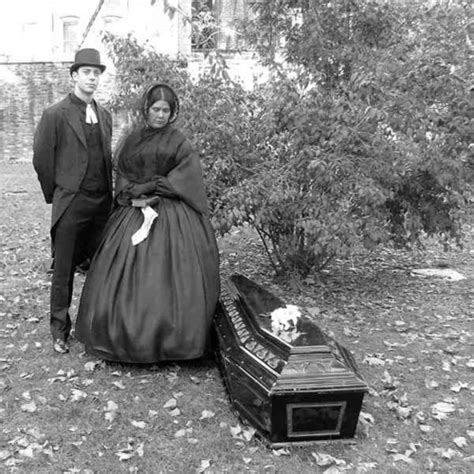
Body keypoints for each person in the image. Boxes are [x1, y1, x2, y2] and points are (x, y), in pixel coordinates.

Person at [75, 83, 220, 363]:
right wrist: (133, 190)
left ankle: (175, 341)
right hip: (135, 211)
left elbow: (187, 176)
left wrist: (157, 185)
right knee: (122, 269)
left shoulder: (179, 141)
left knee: (173, 275)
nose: (161, 115)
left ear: (172, 112)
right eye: (156, 109)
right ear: (146, 110)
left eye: (166, 110)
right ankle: (123, 337)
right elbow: (124, 171)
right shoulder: (133, 139)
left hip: (173, 213)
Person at [33, 48, 113, 354]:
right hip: (71, 203)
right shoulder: (55, 114)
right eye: (87, 72)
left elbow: (106, 159)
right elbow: (42, 159)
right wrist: (58, 193)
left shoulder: (104, 115)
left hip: (102, 204)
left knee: (102, 269)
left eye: (96, 73)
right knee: (64, 269)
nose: (92, 78)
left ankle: (96, 325)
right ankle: (59, 330)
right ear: (74, 76)